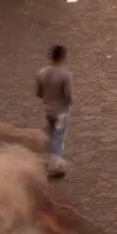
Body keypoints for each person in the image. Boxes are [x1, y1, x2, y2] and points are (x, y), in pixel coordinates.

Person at [37, 44, 73, 177]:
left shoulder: (41, 73)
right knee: (58, 138)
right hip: (61, 112)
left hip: (48, 110)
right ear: (63, 57)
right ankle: (55, 165)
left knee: (51, 136)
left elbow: (39, 93)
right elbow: (68, 96)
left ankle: (49, 160)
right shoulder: (65, 75)